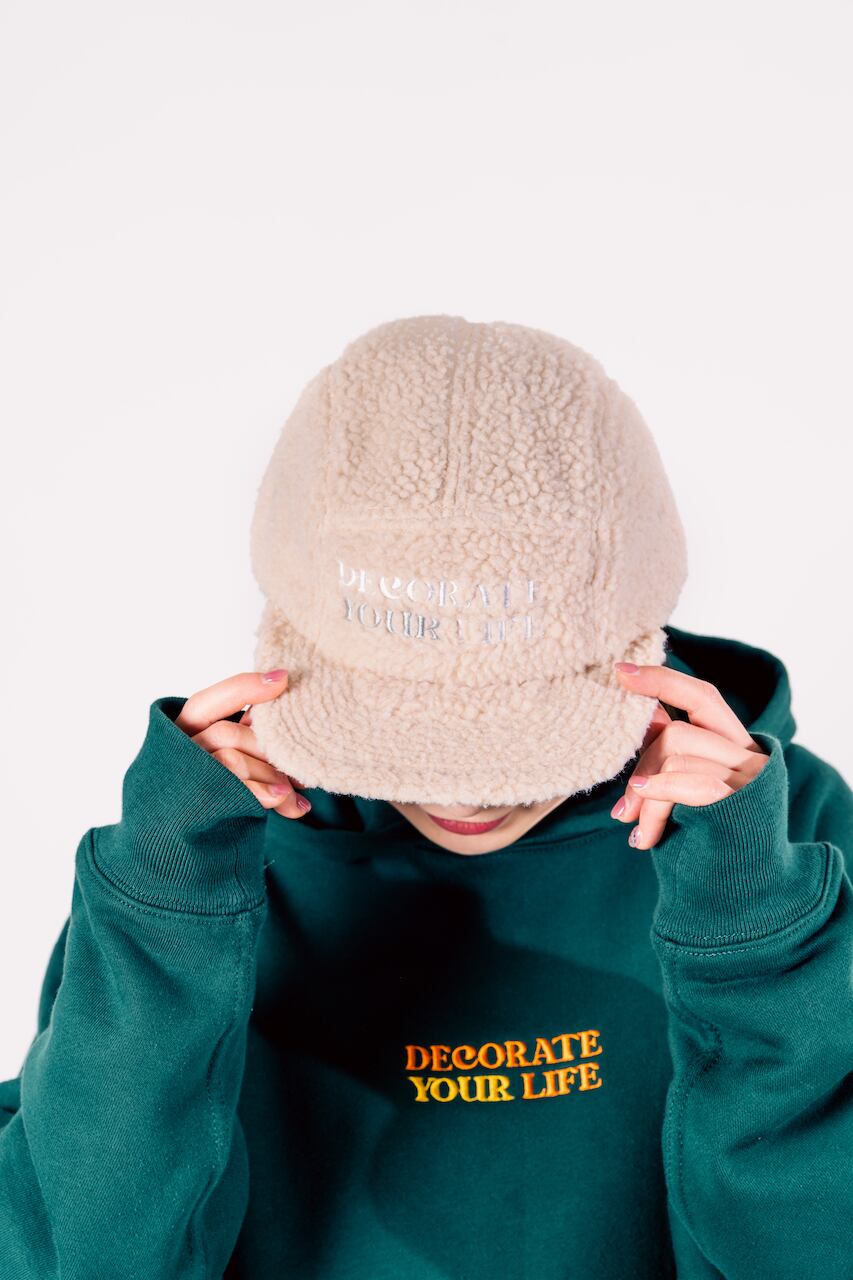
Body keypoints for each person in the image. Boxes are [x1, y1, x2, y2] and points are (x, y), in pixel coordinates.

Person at [1, 315, 850, 1279]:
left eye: (514, 730)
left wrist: (751, 927)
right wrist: (165, 907)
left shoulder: (784, 844)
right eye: (410, 731)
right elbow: (73, 1260)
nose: (466, 792)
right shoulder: (201, 850)